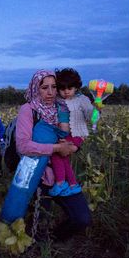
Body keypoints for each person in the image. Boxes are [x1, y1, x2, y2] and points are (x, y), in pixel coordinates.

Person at [3, 69, 91, 241]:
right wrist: (57, 148)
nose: (50, 92)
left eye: (53, 87)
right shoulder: (28, 110)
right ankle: (39, 247)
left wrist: (74, 147)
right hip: (37, 176)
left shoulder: (63, 107)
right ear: (36, 88)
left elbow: (78, 133)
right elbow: (23, 146)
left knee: (82, 218)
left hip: (63, 176)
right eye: (44, 87)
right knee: (39, 226)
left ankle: (56, 240)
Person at [48, 68, 95, 196]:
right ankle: (73, 185)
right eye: (62, 89)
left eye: (70, 88)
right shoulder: (57, 99)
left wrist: (96, 109)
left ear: (76, 87)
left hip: (76, 134)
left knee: (56, 153)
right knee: (63, 158)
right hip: (65, 134)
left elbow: (92, 117)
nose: (66, 92)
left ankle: (60, 183)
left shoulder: (82, 100)